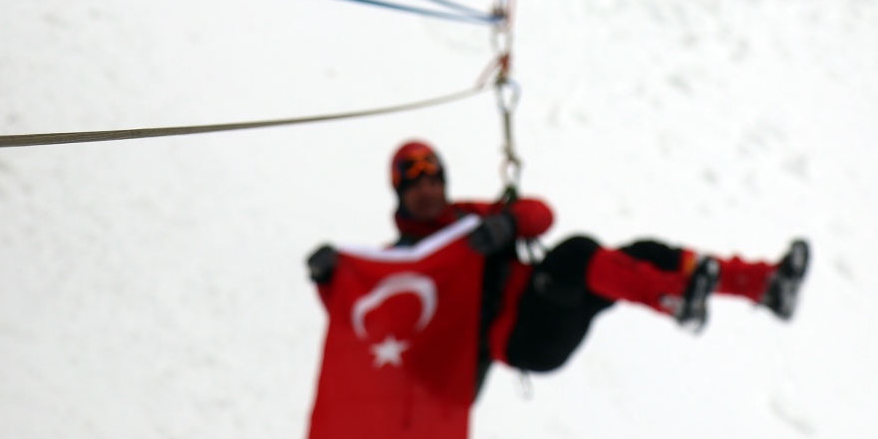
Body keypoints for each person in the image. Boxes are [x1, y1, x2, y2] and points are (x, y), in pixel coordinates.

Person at [308, 141, 811, 397]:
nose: (425, 188)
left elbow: (540, 214)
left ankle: (765, 285)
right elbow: (359, 313)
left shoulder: (469, 218)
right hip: (524, 337)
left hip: (546, 301)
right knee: (576, 256)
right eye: (412, 183)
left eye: (432, 177)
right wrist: (330, 278)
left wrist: (507, 226)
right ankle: (674, 297)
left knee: (645, 253)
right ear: (399, 194)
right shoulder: (404, 259)